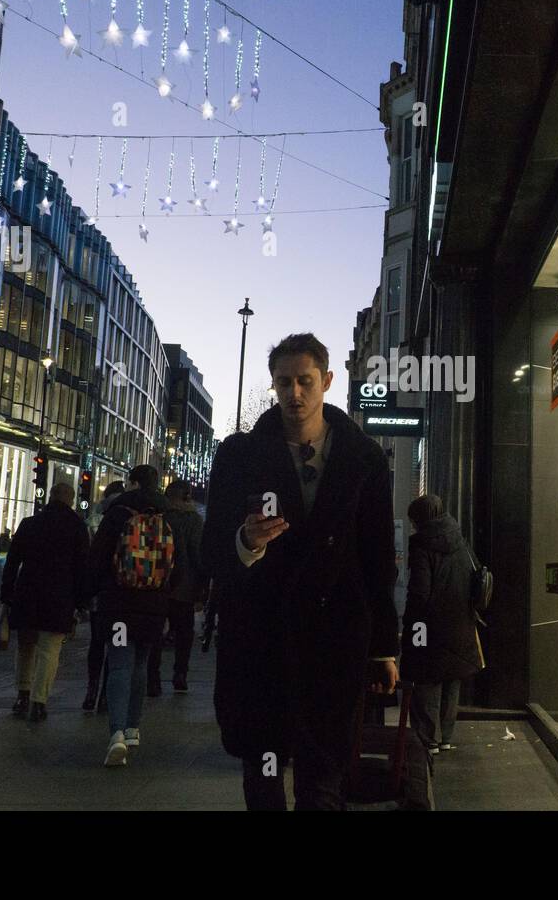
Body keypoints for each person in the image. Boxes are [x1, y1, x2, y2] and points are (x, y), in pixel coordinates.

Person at [205, 332, 399, 810]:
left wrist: (385, 648)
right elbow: (212, 551)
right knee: (263, 770)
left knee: (324, 778)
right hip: (260, 640)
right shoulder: (239, 456)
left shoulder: (364, 458)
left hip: (334, 641)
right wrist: (246, 542)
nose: (294, 393)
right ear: (273, 385)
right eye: (284, 382)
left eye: (305, 381)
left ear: (327, 381)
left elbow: (378, 559)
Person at [88, 464, 172, 766]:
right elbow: (180, 562)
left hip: (119, 602)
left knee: (120, 663)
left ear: (133, 483)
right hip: (154, 604)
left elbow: (97, 557)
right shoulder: (167, 514)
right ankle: (134, 727)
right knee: (141, 663)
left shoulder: (117, 513)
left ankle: (117, 733)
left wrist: (90, 594)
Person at [401, 494, 484, 755]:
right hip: (461, 623)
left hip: (430, 626)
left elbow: (419, 592)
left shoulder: (422, 545)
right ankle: (446, 736)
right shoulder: (460, 539)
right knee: (451, 681)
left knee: (426, 682)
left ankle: (428, 739)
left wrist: (410, 624)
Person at [0, 482, 90, 722]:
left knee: (25, 647)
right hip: (59, 597)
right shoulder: (77, 528)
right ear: (71, 500)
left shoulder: (29, 524)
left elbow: (12, 561)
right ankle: (39, 702)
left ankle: (22, 694)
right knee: (50, 650)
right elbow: (82, 568)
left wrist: (6, 593)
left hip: (27, 593)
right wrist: (81, 603)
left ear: (50, 497)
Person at [148, 479, 207, 694]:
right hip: (185, 586)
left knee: (155, 632)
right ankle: (180, 673)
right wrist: (202, 587)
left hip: (158, 584)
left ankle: (152, 678)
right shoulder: (194, 520)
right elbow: (198, 554)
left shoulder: (158, 517)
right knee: (184, 632)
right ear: (187, 496)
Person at [83, 480, 125, 712]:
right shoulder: (132, 518)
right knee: (117, 645)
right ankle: (107, 697)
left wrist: (86, 593)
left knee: (97, 642)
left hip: (100, 593)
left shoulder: (95, 520)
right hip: (123, 593)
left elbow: (91, 560)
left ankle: (91, 688)